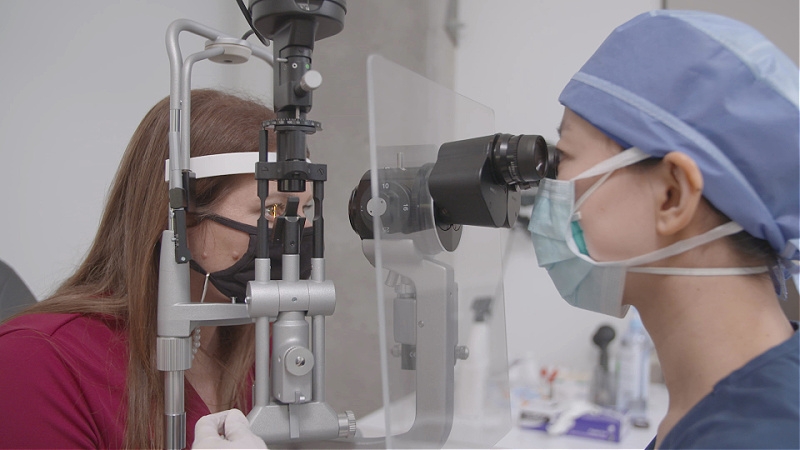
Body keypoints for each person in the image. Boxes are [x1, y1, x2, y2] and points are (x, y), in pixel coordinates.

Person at [528, 10, 799, 449]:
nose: (547, 186)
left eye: (564, 158)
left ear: (672, 196)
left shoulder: (763, 436)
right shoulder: (724, 405)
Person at [0, 89, 313, 448]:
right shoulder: (36, 362)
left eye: (304, 211)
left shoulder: (265, 344)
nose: (296, 233)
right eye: (271, 211)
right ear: (180, 217)